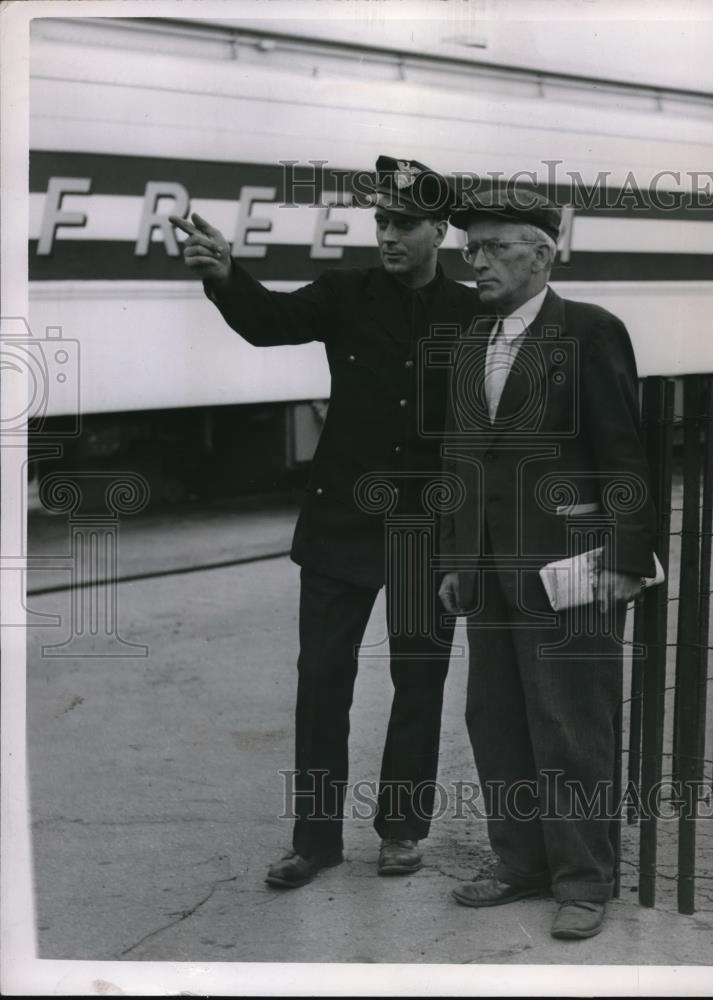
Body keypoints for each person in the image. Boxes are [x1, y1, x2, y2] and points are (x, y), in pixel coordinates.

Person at [171, 156, 480, 888]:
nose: (388, 235)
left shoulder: (470, 314)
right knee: (321, 685)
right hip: (342, 524)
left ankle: (402, 831)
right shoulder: (345, 292)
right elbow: (269, 322)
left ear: (440, 230)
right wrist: (224, 274)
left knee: (419, 682)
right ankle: (315, 841)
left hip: (423, 535)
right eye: (381, 222)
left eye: (403, 223)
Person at [438, 186, 657, 939]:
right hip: (491, 567)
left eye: (496, 247)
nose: (478, 262)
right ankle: (521, 860)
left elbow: (625, 452)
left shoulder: (592, 331)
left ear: (543, 252)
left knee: (572, 719)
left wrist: (627, 554)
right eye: (471, 249)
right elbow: (463, 460)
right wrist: (454, 558)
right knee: (494, 715)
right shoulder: (472, 340)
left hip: (569, 564)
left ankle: (584, 877)